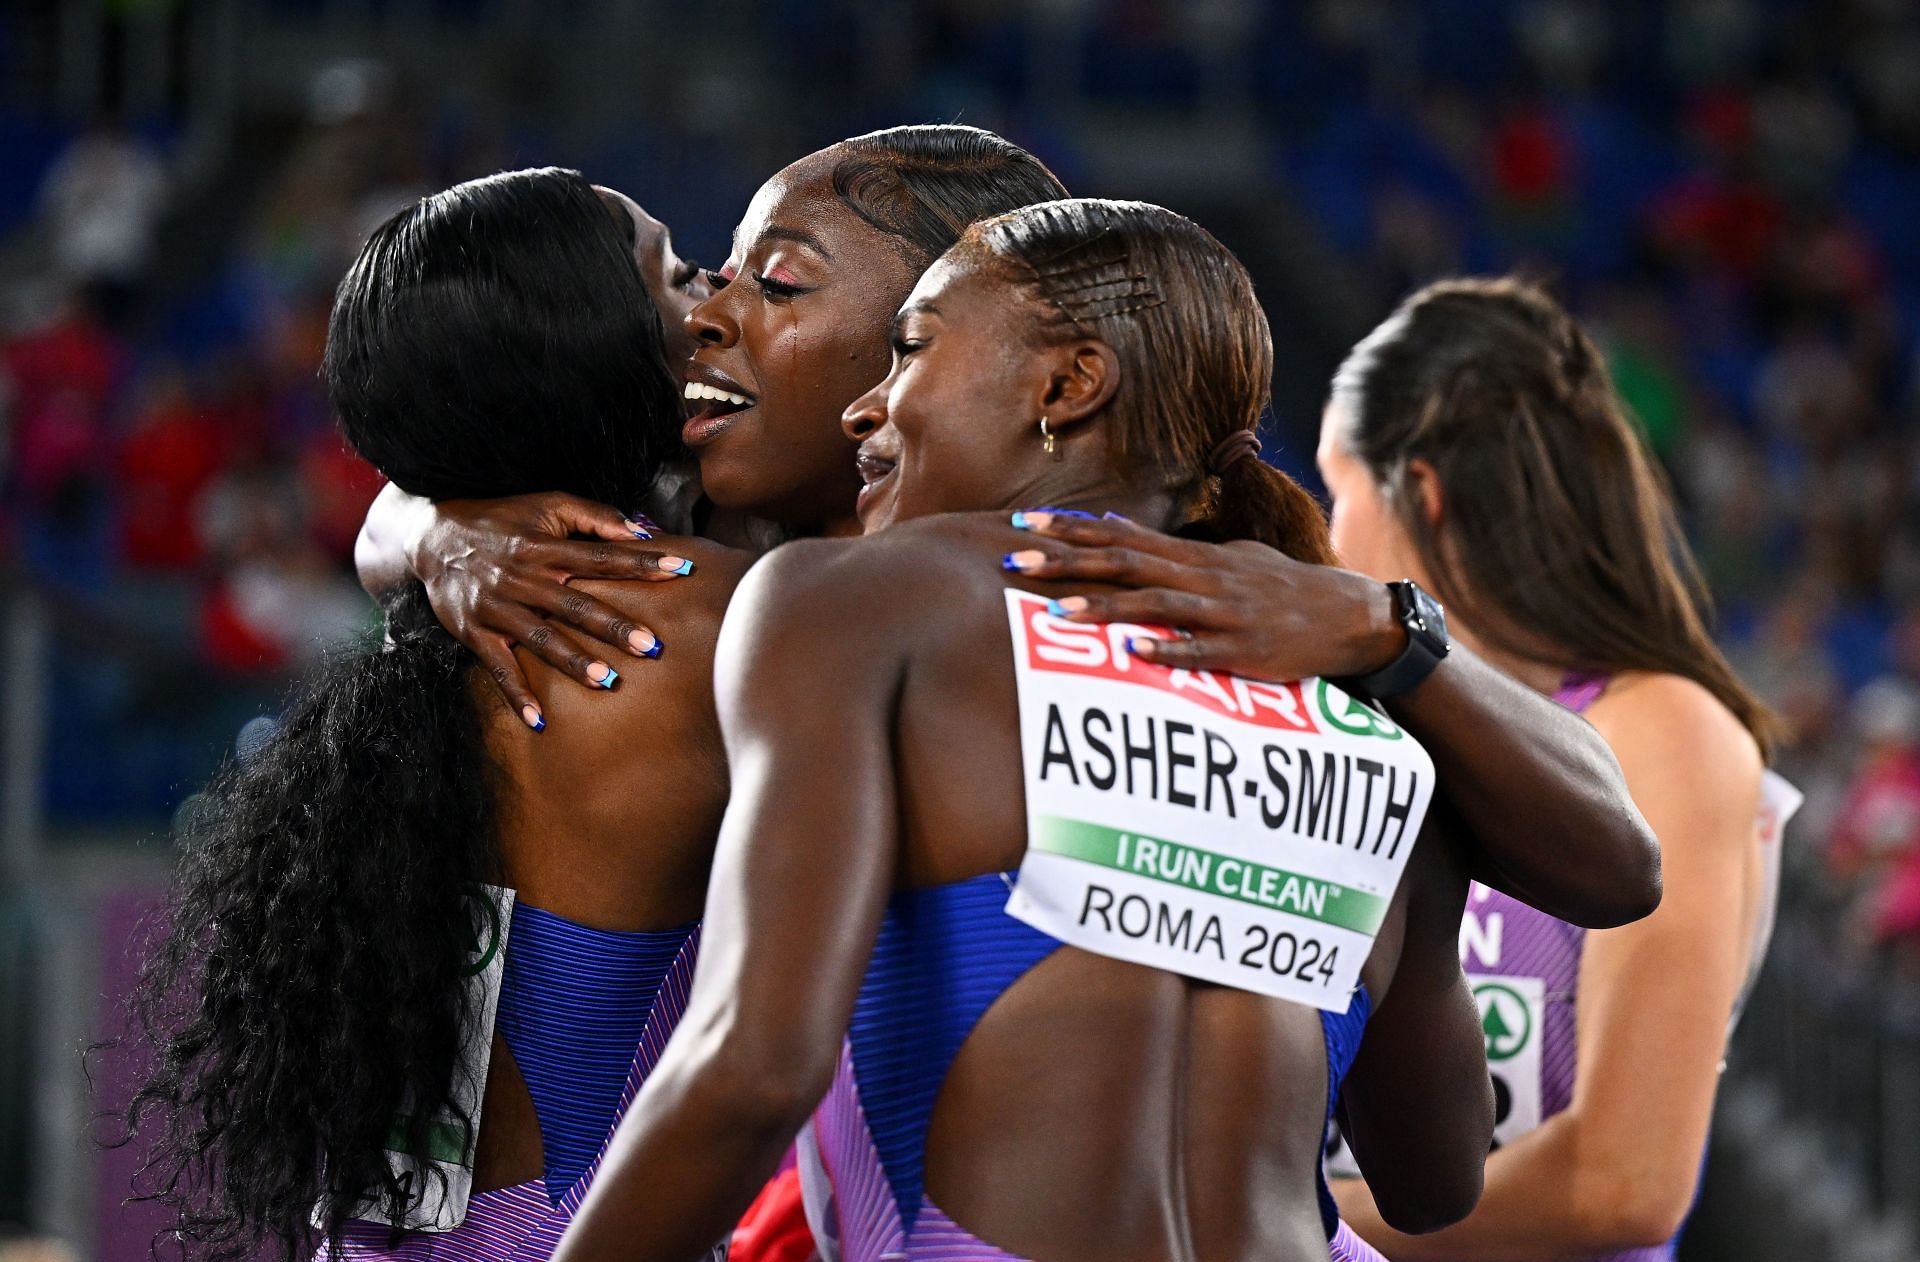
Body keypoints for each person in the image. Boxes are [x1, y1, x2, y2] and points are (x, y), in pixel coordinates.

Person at [353, 128, 1660, 930]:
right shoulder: (706, 549)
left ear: (968, 335)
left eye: (777, 283)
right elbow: (437, 452)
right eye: (714, 274)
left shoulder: (1146, 616)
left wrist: (1394, 631)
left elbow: (1613, 863)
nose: (707, 316)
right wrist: (432, 532)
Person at [538, 198, 1494, 1262]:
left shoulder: (861, 603)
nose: (865, 407)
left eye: (910, 348)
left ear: (1066, 387)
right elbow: (1435, 1181)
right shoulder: (1368, 708)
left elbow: (755, 1066)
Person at [119, 168, 753, 1262]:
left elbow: (391, 503)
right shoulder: (718, 621)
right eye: (677, 274)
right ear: (597, 347)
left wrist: (426, 526)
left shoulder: (446, 601)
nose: (714, 305)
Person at [1306, 278, 1780, 1262]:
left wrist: (1266, 1208)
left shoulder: (1662, 729)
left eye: (1336, 491)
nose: (1324, 537)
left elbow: (1625, 1181)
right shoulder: (1351, 722)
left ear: (1419, 493)